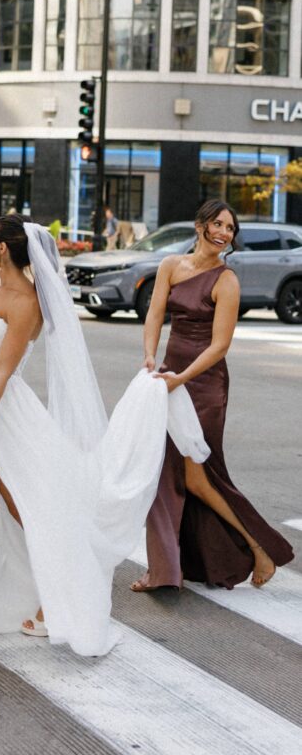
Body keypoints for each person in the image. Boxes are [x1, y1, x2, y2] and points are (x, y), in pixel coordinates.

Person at [0, 215, 209, 656]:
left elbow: (4, 372)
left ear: (4, 250)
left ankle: (57, 599)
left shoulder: (28, 302)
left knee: (23, 506)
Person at [131, 199, 294, 593]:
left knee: (197, 476)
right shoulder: (171, 266)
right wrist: (151, 356)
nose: (225, 232)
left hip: (204, 385)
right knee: (172, 472)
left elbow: (220, 346)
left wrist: (181, 378)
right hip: (169, 376)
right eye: (219, 224)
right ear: (200, 224)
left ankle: (259, 548)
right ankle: (177, 565)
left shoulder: (227, 281)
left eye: (231, 228)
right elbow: (155, 315)